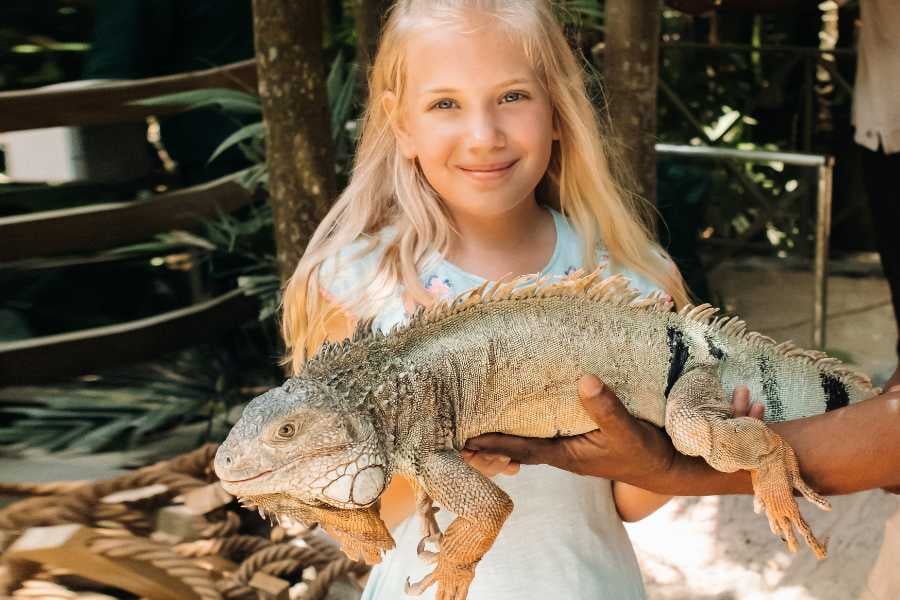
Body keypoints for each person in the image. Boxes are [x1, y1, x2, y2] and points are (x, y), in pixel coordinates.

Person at [280, 2, 692, 598]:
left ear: (556, 110)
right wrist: (436, 470)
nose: (483, 135)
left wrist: (692, 446)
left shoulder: (630, 281)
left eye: (513, 97)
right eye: (445, 103)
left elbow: (633, 500)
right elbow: (355, 520)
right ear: (401, 124)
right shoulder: (357, 287)